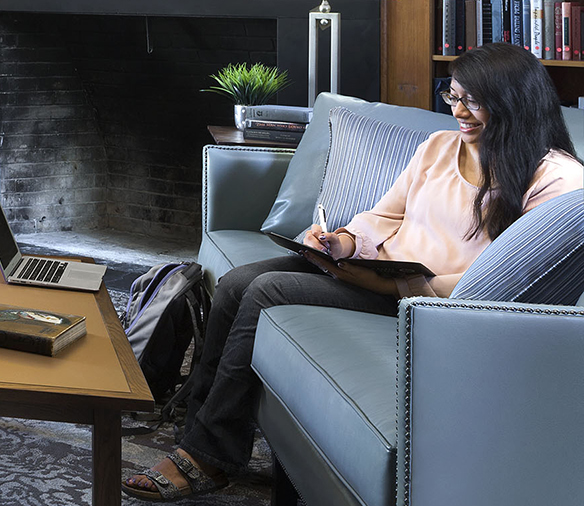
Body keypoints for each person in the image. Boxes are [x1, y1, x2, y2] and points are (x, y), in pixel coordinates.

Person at [124, 41, 584, 500]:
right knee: (235, 284)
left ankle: (207, 457)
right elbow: (387, 216)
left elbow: (506, 279)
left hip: (426, 302)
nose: (459, 111)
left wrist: (398, 283)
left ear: (513, 102)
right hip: (380, 271)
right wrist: (342, 241)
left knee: (264, 291)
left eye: (473, 101)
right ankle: (202, 440)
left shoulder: (555, 178)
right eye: (453, 96)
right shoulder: (440, 145)